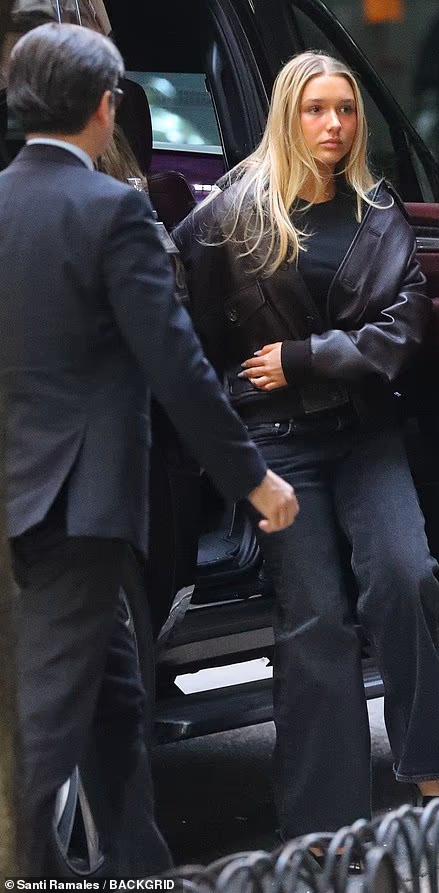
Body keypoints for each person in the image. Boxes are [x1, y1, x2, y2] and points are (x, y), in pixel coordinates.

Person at [0, 22, 298, 875]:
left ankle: (135, 866)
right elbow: (176, 365)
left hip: (22, 489)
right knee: (48, 722)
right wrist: (253, 478)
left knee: (114, 701)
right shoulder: (115, 210)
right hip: (81, 501)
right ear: (107, 108)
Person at [174, 50, 439, 843]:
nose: (334, 124)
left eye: (345, 109)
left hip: (364, 432)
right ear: (288, 117)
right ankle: (324, 831)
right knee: (315, 619)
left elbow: (403, 327)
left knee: (406, 577)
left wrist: (304, 359)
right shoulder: (233, 213)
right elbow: (176, 318)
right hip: (276, 442)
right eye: (316, 109)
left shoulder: (379, 211)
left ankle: (430, 767)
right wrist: (219, 412)